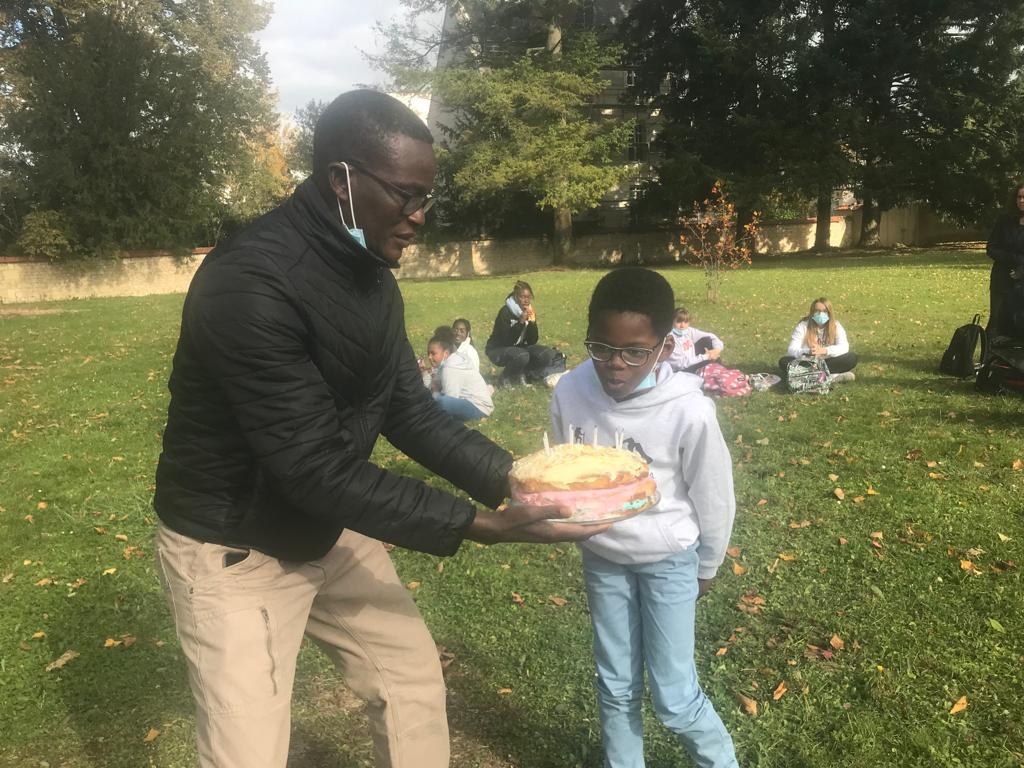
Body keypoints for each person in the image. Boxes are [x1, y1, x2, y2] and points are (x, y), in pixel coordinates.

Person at [152, 89, 604, 768]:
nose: (420, 216)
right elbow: (311, 467)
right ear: (342, 179)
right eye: (405, 195)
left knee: (411, 683)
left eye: (427, 197)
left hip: (328, 522)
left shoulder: (371, 278)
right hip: (235, 546)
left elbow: (408, 411)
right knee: (249, 753)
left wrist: (517, 481)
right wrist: (480, 525)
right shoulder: (248, 285)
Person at [550, 267, 740, 768]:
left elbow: (714, 494)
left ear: (665, 347)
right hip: (603, 558)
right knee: (615, 685)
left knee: (675, 697)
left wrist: (708, 564)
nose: (616, 364)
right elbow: (565, 469)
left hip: (668, 560)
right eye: (601, 348)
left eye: (635, 352)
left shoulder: (689, 410)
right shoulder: (569, 391)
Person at [485, 280, 563, 386]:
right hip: (498, 349)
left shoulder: (529, 311)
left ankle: (525, 374)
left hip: (520, 348)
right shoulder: (506, 312)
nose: (526, 300)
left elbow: (532, 340)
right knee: (522, 355)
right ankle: (504, 378)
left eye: (528, 297)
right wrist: (520, 322)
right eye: (522, 297)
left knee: (548, 354)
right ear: (516, 297)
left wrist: (532, 323)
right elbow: (506, 340)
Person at [779, 297, 858, 383]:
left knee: (851, 358)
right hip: (808, 362)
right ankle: (831, 377)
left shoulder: (836, 326)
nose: (821, 314)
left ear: (829, 313)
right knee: (784, 362)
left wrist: (825, 351)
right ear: (812, 312)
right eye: (817, 311)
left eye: (824, 311)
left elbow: (844, 347)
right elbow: (791, 349)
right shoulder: (803, 326)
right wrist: (809, 351)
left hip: (828, 361)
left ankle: (808, 377)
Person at [427, 326, 494, 421]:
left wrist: (434, 394)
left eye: (433, 353)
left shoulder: (450, 367)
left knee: (441, 402)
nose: (429, 357)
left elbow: (450, 398)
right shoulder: (455, 358)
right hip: (475, 403)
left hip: (478, 407)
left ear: (445, 353)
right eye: (428, 353)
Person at [986, 181, 1024, 338]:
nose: (1021, 200)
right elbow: (991, 248)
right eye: (1019, 197)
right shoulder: (1004, 220)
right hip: (1002, 278)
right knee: (996, 322)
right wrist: (1014, 259)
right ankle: (990, 352)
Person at [667, 307, 724, 373]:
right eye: (679, 322)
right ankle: (718, 371)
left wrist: (716, 350)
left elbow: (711, 336)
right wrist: (705, 357)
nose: (682, 325)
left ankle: (720, 369)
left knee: (707, 340)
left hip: (693, 361)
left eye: (685, 322)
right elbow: (681, 364)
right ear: (672, 321)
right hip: (681, 370)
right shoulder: (670, 339)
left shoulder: (688, 331)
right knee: (710, 359)